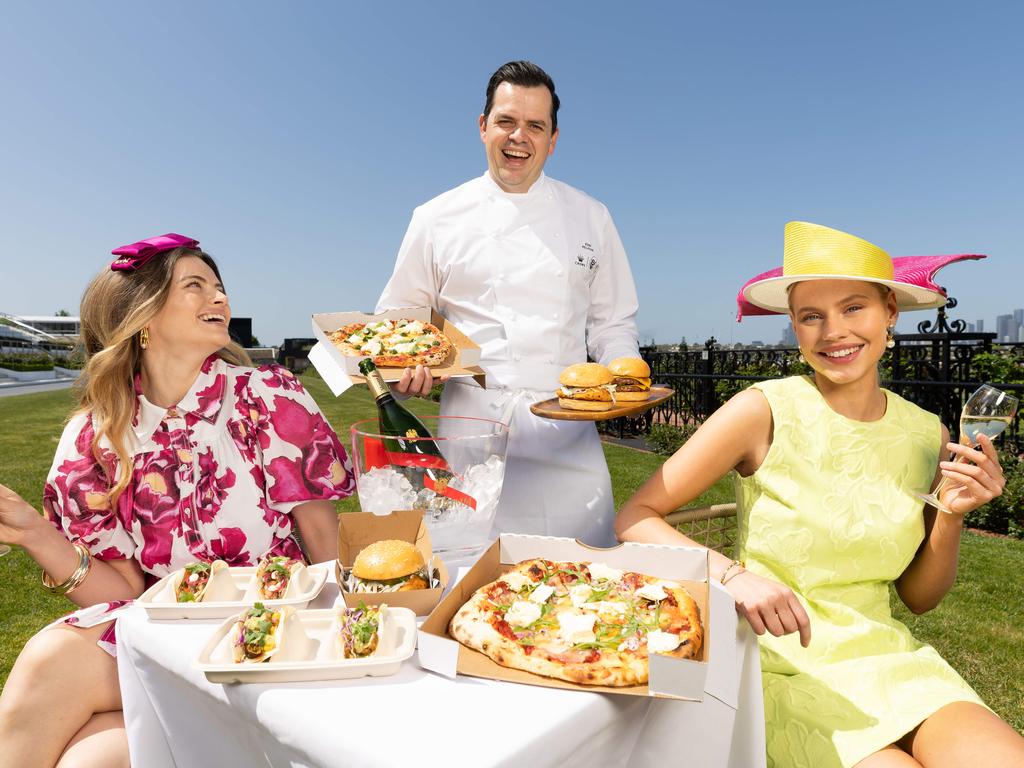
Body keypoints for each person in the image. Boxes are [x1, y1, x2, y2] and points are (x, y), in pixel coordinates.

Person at [616, 222, 1024, 768]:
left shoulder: (928, 433)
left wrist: (950, 515)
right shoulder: (762, 410)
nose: (833, 331)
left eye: (853, 308)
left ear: (889, 314)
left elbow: (919, 599)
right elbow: (636, 516)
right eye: (812, 316)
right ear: (796, 327)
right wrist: (735, 577)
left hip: (889, 660)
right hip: (780, 663)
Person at [0, 234, 355, 768]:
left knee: (53, 667)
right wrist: (33, 532)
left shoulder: (267, 396)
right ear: (141, 315)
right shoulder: (95, 435)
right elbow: (122, 591)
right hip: (165, 638)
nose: (220, 300)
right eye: (196, 286)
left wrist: (348, 640)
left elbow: (324, 541)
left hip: (270, 628)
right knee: (90, 760)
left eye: (219, 288)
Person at [377, 60, 641, 547]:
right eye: (506, 121)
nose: (519, 136)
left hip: (568, 437)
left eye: (535, 126)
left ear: (553, 139)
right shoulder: (436, 217)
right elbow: (400, 322)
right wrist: (407, 373)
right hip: (472, 438)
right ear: (483, 127)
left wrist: (624, 373)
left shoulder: (592, 216)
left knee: (585, 589)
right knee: (469, 582)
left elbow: (612, 324)